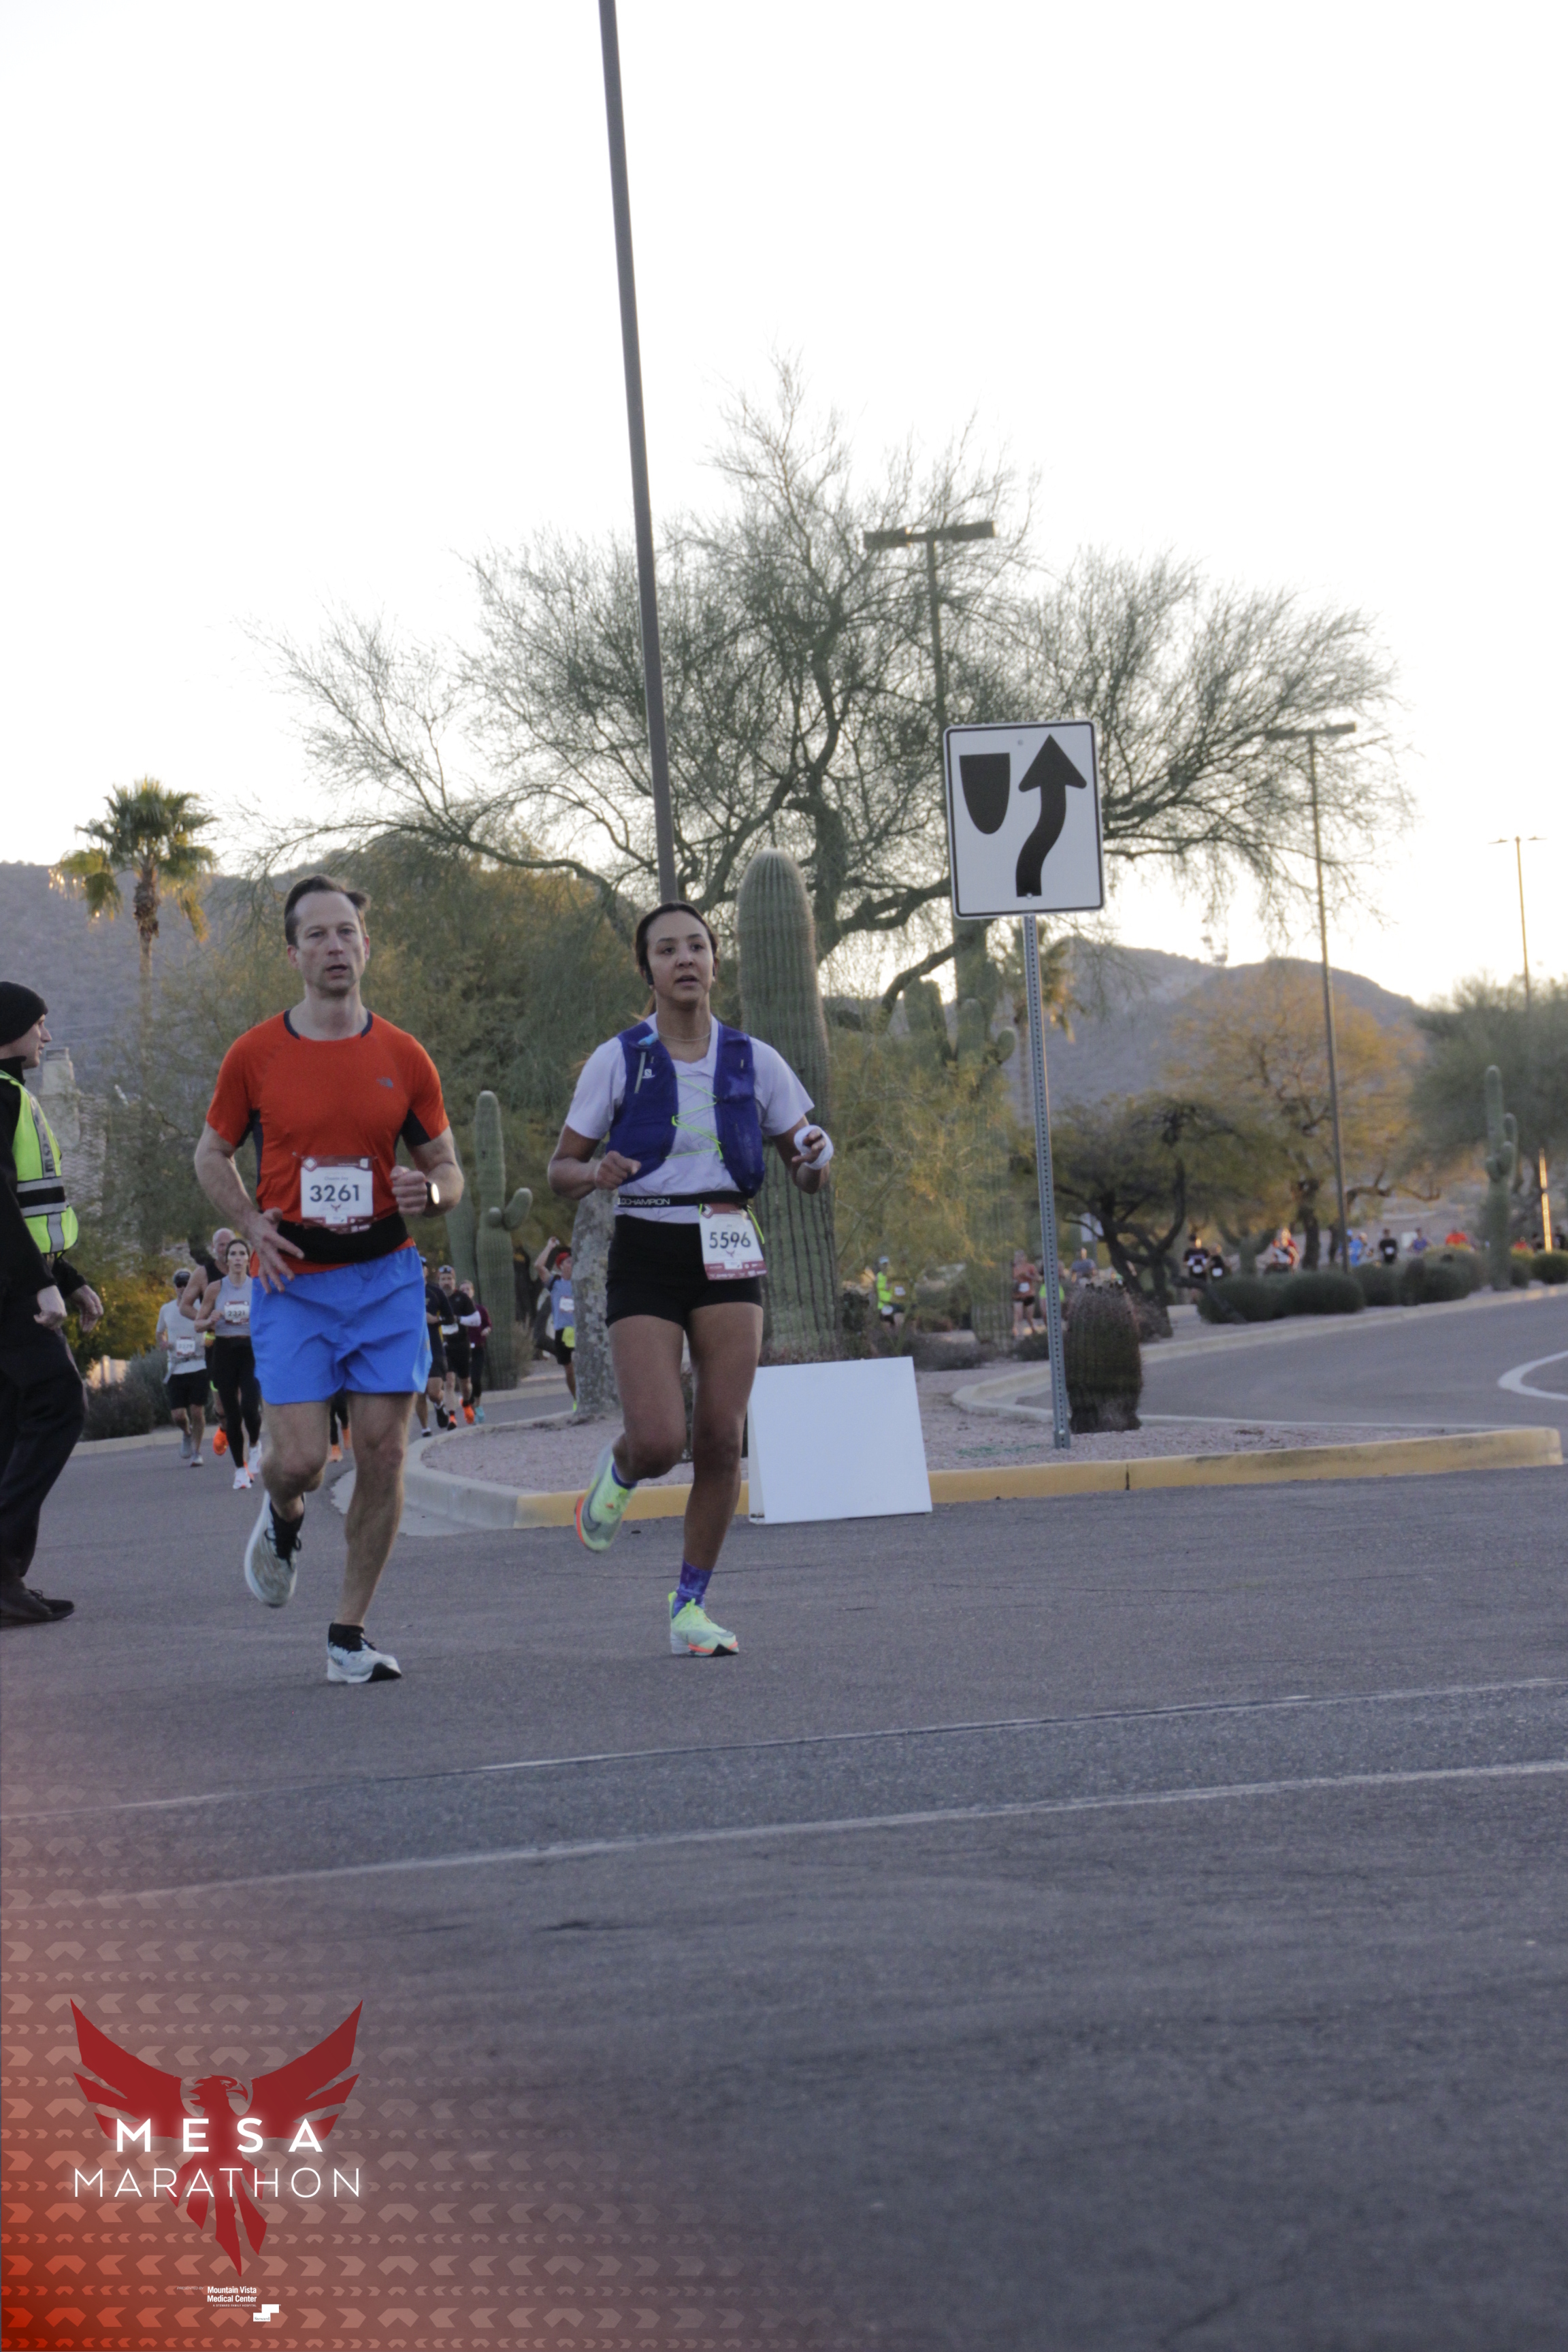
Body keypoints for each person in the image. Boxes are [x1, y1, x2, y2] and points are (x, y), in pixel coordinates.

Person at [193, 875, 461, 1685]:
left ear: (365, 946)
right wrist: (250, 1225)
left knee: (384, 1452)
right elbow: (211, 1154)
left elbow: (447, 1169)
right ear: (293, 955)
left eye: (346, 932)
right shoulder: (256, 1055)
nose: (334, 946)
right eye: (316, 934)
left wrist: (432, 1193)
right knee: (300, 1462)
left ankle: (349, 1634)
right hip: (294, 1283)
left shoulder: (404, 1056)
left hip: (385, 1279)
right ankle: (283, 1516)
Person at [546, 900, 832, 1658]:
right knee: (660, 1439)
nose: (684, 959)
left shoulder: (756, 1059)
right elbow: (561, 1168)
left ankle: (690, 1606)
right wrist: (594, 1172)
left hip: (729, 1243)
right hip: (647, 1241)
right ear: (647, 969)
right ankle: (620, 1469)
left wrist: (814, 1160)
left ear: (715, 961)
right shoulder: (618, 1058)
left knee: (720, 1438)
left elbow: (805, 1166)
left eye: (697, 946)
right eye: (667, 949)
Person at [0, 985, 103, 1624]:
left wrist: (66, 1277)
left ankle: (7, 1580)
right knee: (60, 1401)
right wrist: (39, 1284)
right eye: (38, 1023)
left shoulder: (13, 1095)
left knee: (12, 1425)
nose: (46, 1034)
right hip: (12, 1291)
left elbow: (26, 1210)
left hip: (20, 1281)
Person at [195, 1235, 262, 1490]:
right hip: (224, 1350)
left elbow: (270, 1319)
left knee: (250, 1408)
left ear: (248, 1259)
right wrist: (210, 1320)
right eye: (233, 1254)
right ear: (227, 1259)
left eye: (242, 1254)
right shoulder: (215, 1288)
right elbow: (198, 1324)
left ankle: (254, 1445)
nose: (237, 1258)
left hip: (250, 1350)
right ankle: (240, 1470)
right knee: (231, 1415)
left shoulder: (257, 1286)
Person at [154, 1269, 211, 1464]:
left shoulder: (201, 1307)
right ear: (175, 1287)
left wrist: (207, 1341)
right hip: (176, 1367)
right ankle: (187, 1433)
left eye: (186, 1284)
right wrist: (163, 1343)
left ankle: (197, 1451)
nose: (183, 1288)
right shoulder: (167, 1309)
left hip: (198, 1364)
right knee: (178, 1415)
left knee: (197, 1411)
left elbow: (211, 1327)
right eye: (179, 1284)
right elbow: (159, 1333)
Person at [433, 1264, 475, 1425]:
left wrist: (459, 1319)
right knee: (449, 1382)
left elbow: (476, 1319)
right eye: (443, 1279)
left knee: (466, 1386)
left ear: (454, 1280)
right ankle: (452, 1418)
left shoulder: (462, 1298)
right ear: (439, 1282)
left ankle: (466, 1403)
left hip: (462, 1345)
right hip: (444, 1347)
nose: (446, 1282)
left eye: (449, 1279)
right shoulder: (435, 1299)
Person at [548, 1247, 576, 1401]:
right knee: (569, 1370)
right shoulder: (555, 1283)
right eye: (569, 1262)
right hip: (563, 1330)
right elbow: (538, 1266)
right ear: (561, 1266)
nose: (572, 1265)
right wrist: (549, 1247)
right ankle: (576, 1398)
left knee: (584, 1364)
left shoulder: (581, 1282)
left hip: (578, 1329)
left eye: (573, 1262)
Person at [459, 1281, 489, 1420]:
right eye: (463, 1290)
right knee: (466, 1382)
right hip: (462, 1350)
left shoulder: (480, 1310)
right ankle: (468, 1405)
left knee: (476, 1379)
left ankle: (478, 1406)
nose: (466, 1292)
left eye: (468, 1289)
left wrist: (486, 1330)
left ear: (473, 1292)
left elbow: (488, 1325)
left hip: (478, 1349)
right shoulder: (456, 1310)